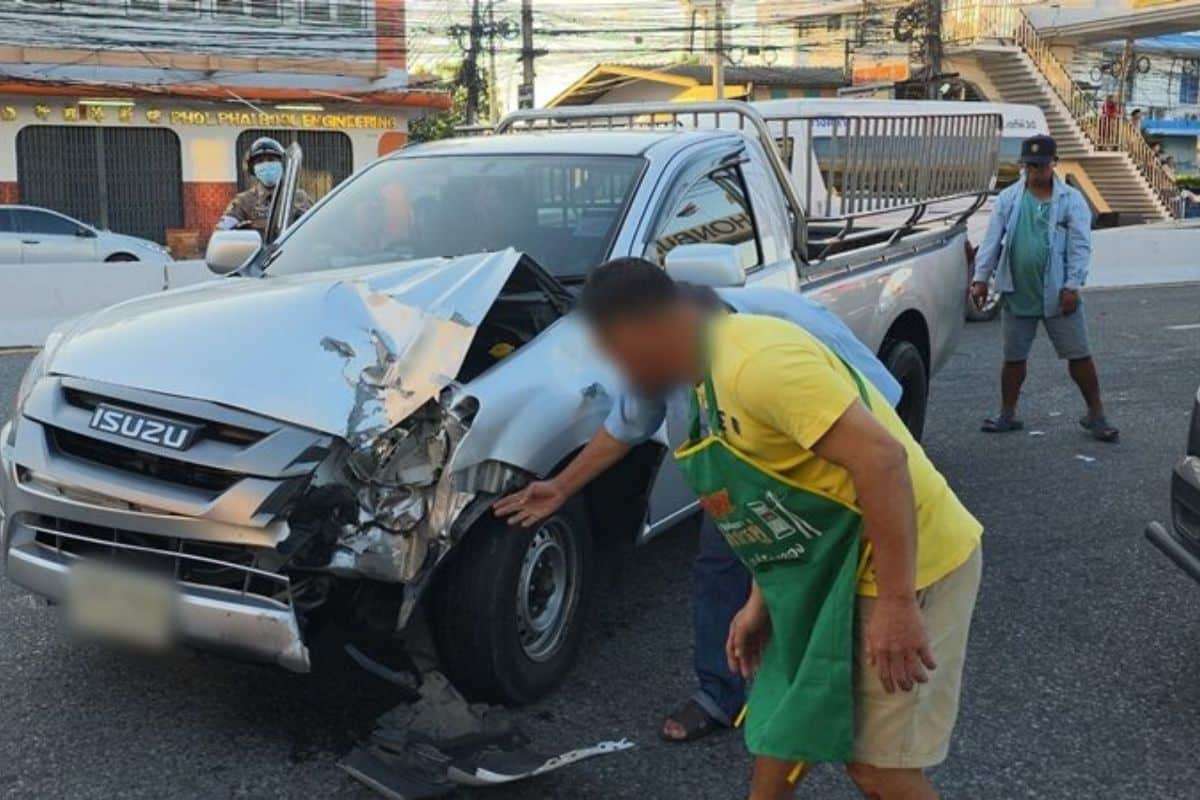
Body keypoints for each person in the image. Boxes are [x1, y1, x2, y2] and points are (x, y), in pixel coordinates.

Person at [570, 259, 982, 800]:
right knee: (783, 728)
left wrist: (898, 603)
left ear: (649, 327)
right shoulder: (700, 386)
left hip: (908, 562)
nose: (613, 368)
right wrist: (760, 603)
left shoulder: (756, 364)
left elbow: (882, 461)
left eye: (615, 349)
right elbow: (784, 499)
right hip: (824, 565)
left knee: (878, 769)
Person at [495, 271, 903, 745]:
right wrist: (561, 487)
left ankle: (857, 676)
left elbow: (882, 440)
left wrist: (894, 594)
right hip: (744, 469)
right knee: (722, 566)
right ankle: (723, 695)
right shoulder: (654, 356)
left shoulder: (774, 331)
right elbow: (627, 425)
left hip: (832, 460)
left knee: (836, 584)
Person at [971, 134, 1118, 442]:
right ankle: (1007, 413)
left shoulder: (1070, 199)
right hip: (1017, 290)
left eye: (1041, 165)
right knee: (1013, 358)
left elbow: (1080, 246)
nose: (1036, 171)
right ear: (1023, 166)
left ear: (1053, 164)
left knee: (1078, 355)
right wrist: (981, 279)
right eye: (1030, 165)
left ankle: (1096, 414)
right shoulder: (1010, 198)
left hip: (1058, 292)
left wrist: (1072, 285)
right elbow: (991, 241)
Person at [215, 136, 313, 234]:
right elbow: (222, 231)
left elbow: (315, 227)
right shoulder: (243, 201)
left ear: (282, 164)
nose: (266, 165)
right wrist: (241, 232)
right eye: (260, 161)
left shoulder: (299, 197)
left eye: (271, 159)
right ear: (252, 169)